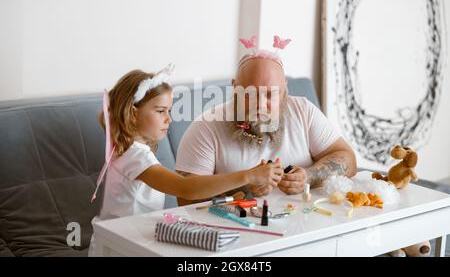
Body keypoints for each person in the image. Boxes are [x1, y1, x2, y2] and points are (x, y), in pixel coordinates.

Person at [88, 65, 283, 256]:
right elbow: (185, 187)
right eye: (160, 111)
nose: (169, 119)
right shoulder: (136, 157)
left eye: (169, 111)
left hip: (123, 238)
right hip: (120, 246)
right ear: (133, 113)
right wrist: (248, 176)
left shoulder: (127, 149)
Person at [176, 37, 357, 206]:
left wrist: (308, 176)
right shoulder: (206, 127)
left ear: (285, 89)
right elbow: (184, 199)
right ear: (235, 88)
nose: (261, 104)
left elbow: (348, 159)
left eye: (270, 94)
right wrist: (243, 185)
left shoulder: (303, 110)